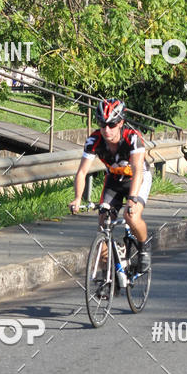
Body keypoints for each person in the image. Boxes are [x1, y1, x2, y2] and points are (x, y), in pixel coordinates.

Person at [69, 98, 152, 271]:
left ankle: (144, 247)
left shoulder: (132, 138)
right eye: (102, 124)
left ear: (121, 122)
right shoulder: (94, 141)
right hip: (114, 181)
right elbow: (82, 172)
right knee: (103, 227)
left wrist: (132, 198)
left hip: (137, 179)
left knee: (132, 216)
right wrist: (77, 198)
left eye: (112, 125)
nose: (107, 130)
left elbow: (137, 171)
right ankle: (105, 279)